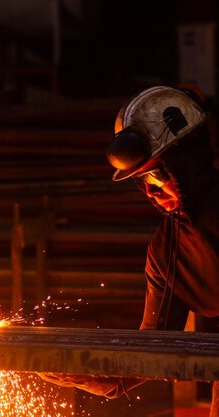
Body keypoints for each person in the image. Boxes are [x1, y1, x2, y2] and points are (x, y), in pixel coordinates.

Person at [40, 85, 219, 407]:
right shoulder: (166, 253)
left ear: (185, 159)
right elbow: (154, 351)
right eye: (141, 182)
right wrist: (80, 372)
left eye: (155, 176)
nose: (151, 193)